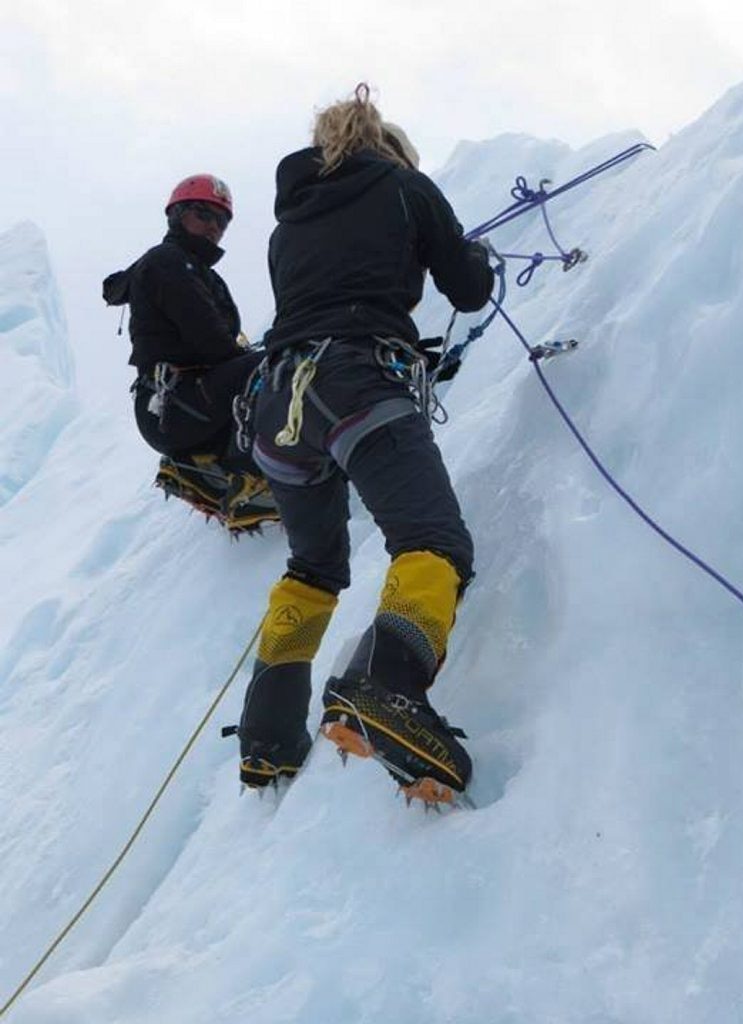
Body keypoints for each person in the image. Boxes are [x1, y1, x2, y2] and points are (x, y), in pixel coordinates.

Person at [235, 84, 494, 805]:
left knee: (313, 567)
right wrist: (471, 254)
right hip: (356, 381)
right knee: (432, 540)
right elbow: (468, 289)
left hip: (277, 404)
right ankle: (389, 689)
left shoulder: (287, 226)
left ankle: (268, 735)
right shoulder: (406, 187)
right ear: (391, 151)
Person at [102, 174, 278, 532]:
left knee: (264, 364)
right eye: (203, 214)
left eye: (221, 220)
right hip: (178, 403)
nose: (214, 226)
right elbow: (210, 341)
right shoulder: (169, 262)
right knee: (276, 366)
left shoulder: (194, 271)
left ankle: (206, 471)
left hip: (176, 407)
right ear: (178, 215)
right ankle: (251, 478)